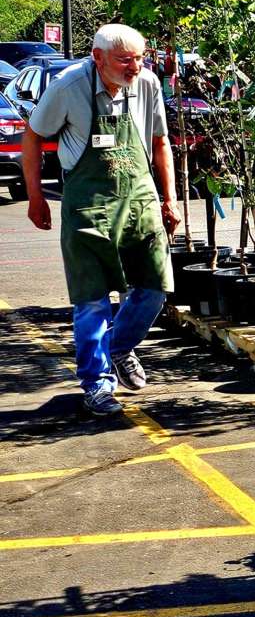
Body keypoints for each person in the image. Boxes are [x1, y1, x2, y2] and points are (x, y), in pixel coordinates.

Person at [20, 24, 183, 416]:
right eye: (125, 60)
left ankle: (119, 346)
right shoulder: (67, 87)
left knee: (155, 286)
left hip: (139, 199)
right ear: (97, 57)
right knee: (92, 301)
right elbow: (32, 137)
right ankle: (97, 385)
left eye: (140, 58)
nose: (135, 67)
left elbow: (160, 142)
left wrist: (170, 199)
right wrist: (35, 197)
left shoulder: (147, 83)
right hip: (88, 208)